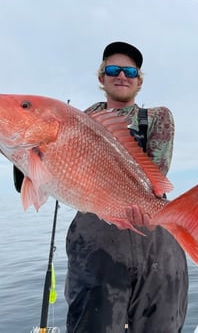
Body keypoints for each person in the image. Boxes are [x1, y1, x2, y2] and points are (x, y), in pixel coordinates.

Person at [64, 42, 188, 333]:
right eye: (113, 69)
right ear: (101, 78)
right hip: (95, 238)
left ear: (139, 80)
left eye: (130, 71)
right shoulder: (76, 121)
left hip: (153, 231)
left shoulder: (157, 117)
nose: (122, 75)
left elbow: (156, 175)